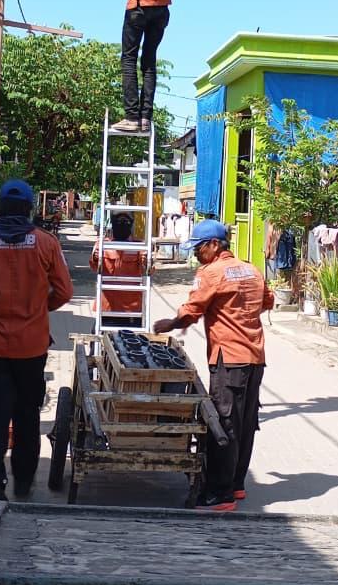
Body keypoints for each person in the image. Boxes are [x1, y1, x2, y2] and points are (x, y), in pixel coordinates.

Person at [0, 178, 73, 518]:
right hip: (31, 347)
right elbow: (64, 291)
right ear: (29, 209)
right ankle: (22, 481)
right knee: (27, 415)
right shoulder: (46, 243)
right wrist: (37, 309)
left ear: (1, 207)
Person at [153, 220, 274, 512]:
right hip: (255, 357)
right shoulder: (252, 269)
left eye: (199, 248)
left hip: (228, 358)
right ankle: (236, 484)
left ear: (214, 245)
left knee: (224, 422)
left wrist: (171, 323)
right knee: (245, 423)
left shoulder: (211, 272)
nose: (196, 254)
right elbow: (268, 301)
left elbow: (192, 309)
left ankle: (219, 494)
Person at [86, 0, 198, 135]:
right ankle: (145, 118)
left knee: (129, 59)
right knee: (149, 61)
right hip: (162, 7)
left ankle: (131, 118)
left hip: (139, 4)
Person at [89, 213, 146, 328]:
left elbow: (148, 270)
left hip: (132, 309)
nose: (122, 225)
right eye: (119, 222)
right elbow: (94, 267)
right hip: (108, 306)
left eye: (125, 222)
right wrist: (95, 257)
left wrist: (148, 261)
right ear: (113, 224)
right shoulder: (102, 245)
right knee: (98, 336)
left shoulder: (140, 246)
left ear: (131, 225)